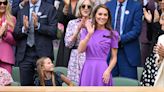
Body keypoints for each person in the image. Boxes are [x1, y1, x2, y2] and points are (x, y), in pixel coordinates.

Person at [13, 0, 57, 85]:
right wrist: (24, 29)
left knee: (45, 86)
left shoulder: (50, 8)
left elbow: (53, 31)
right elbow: (16, 34)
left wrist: (38, 25)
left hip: (43, 55)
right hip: (25, 55)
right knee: (25, 87)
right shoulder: (22, 11)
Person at [78, 5, 118, 86]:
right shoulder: (86, 31)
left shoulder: (113, 34)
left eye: (105, 15)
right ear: (95, 15)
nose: (102, 17)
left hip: (103, 69)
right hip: (88, 68)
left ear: (108, 17)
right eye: (100, 14)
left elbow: (114, 57)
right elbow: (80, 50)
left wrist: (108, 71)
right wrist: (89, 35)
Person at [106, 0, 143, 79]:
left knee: (129, 86)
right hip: (110, 52)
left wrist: (119, 39)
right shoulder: (108, 5)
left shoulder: (136, 6)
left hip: (128, 54)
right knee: (108, 84)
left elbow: (136, 30)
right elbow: (104, 26)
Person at [65, 0, 93, 85]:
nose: (86, 8)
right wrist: (78, 29)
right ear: (79, 8)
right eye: (83, 6)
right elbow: (68, 44)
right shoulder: (72, 23)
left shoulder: (95, 23)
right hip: (75, 57)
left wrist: (89, 30)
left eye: (88, 6)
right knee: (74, 85)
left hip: (90, 56)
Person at [140, 0, 164, 86]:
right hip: (153, 58)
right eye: (161, 1)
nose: (162, 2)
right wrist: (151, 22)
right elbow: (150, 37)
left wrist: (157, 23)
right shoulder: (156, 12)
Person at [55, 0, 79, 67]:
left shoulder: (84, 2)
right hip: (67, 37)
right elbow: (60, 19)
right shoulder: (63, 2)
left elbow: (80, 18)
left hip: (81, 36)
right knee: (65, 64)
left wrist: (67, 14)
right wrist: (65, 10)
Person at [0, 0, 16, 74]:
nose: (2, 5)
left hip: (6, 57)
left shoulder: (12, 19)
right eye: (0, 3)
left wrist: (5, 34)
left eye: (5, 3)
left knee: (6, 84)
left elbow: (15, 41)